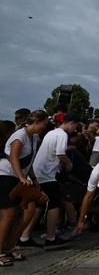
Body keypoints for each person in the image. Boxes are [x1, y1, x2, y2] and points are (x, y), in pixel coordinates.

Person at [0, 110, 46, 265]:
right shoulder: (19, 136)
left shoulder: (34, 137)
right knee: (9, 214)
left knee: (23, 212)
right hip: (6, 176)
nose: (44, 127)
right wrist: (21, 177)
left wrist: (33, 178)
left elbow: (29, 161)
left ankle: (9, 246)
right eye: (44, 123)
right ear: (37, 121)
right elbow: (13, 157)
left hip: (17, 178)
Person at [32, 113, 78, 249]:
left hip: (38, 171)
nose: (74, 130)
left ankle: (24, 235)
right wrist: (69, 163)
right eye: (75, 126)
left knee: (39, 205)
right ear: (71, 123)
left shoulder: (52, 133)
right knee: (54, 203)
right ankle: (51, 237)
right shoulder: (63, 134)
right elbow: (60, 153)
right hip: (48, 173)